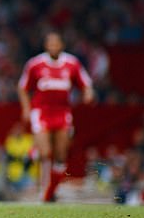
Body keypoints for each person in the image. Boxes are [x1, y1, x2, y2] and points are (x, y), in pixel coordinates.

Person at [17, 31, 94, 202]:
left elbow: (86, 83)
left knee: (60, 155)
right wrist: (26, 108)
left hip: (62, 113)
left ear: (61, 45)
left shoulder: (72, 63)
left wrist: (88, 93)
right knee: (46, 152)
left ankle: (51, 190)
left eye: (56, 44)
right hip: (42, 112)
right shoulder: (35, 64)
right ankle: (44, 186)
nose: (53, 47)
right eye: (50, 44)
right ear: (46, 46)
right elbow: (23, 87)